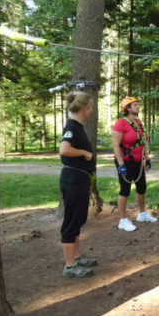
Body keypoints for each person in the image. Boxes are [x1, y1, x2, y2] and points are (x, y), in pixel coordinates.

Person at [59, 91, 97, 278]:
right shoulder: (72, 126)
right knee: (71, 223)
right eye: (90, 107)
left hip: (79, 180)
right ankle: (69, 266)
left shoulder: (77, 126)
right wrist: (84, 153)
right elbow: (64, 149)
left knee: (78, 220)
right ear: (84, 108)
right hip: (73, 181)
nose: (92, 110)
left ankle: (76, 257)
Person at [112, 97, 157, 231]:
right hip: (125, 161)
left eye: (138, 105)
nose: (138, 107)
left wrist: (147, 158)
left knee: (141, 187)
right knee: (125, 190)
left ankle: (142, 214)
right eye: (135, 105)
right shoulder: (121, 123)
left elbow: (144, 141)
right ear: (127, 109)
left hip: (138, 162)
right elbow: (115, 145)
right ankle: (123, 220)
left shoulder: (138, 122)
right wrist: (121, 164)